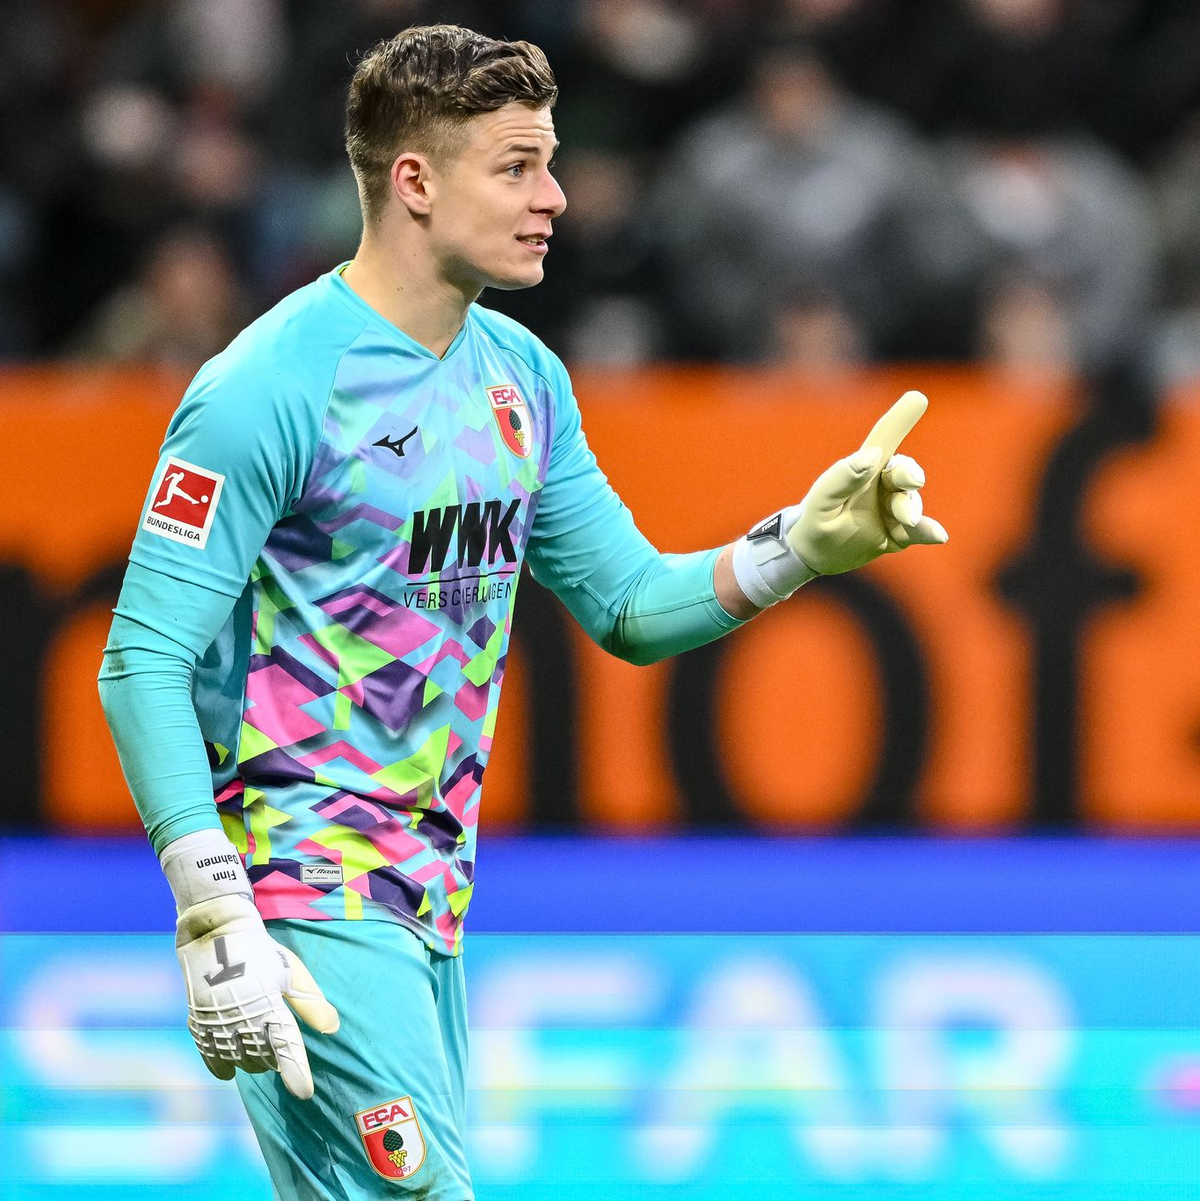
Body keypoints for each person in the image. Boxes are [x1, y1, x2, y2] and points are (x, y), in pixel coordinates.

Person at [97, 24, 947, 1201]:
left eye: (549, 164)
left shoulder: (522, 377)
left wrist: (798, 545)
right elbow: (140, 660)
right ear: (414, 182)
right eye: (517, 167)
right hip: (306, 889)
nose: (555, 197)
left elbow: (630, 603)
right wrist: (212, 907)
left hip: (431, 898)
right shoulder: (267, 388)